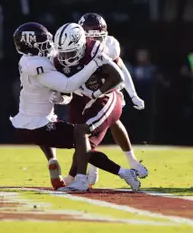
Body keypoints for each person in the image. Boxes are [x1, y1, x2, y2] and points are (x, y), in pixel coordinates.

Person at [10, 22, 108, 192]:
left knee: (48, 121)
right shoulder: (38, 65)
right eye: (43, 43)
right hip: (39, 123)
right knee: (83, 141)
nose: (48, 45)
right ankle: (108, 172)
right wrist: (94, 64)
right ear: (32, 46)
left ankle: (52, 160)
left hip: (26, 120)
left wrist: (63, 97)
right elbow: (68, 85)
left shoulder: (27, 59)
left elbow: (63, 95)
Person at [51, 22, 142, 191]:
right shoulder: (58, 60)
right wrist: (59, 96)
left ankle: (81, 179)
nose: (66, 57)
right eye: (63, 52)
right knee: (82, 144)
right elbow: (65, 89)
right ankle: (124, 173)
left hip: (107, 98)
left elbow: (117, 76)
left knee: (80, 132)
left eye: (70, 52)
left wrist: (97, 93)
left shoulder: (95, 51)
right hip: (85, 101)